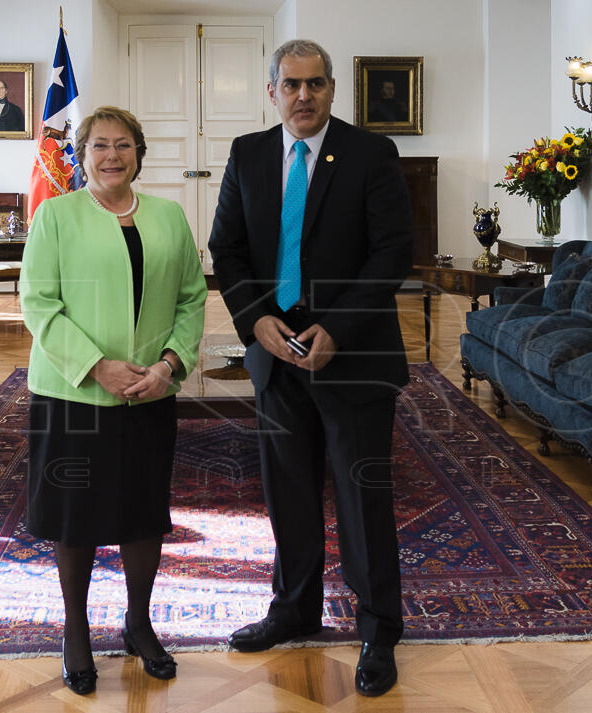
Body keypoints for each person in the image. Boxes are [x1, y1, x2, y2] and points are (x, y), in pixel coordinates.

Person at [208, 39, 413, 698]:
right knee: (287, 491)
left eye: (316, 84)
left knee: (362, 497)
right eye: (291, 84)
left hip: (352, 357)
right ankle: (294, 607)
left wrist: (339, 328)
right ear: (272, 90)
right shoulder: (247, 155)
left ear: (331, 90)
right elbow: (227, 249)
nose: (304, 96)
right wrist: (257, 324)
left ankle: (378, 626)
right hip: (277, 357)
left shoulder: (370, 154)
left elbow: (392, 253)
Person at [20, 106, 206, 695]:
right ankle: (76, 630)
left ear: (138, 154)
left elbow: (192, 298)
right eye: (99, 145)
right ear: (81, 154)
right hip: (74, 392)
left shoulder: (170, 216)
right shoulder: (54, 216)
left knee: (143, 509)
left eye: (123, 145)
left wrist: (170, 365)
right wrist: (96, 366)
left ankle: (138, 622)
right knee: (75, 517)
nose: (112, 156)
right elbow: (38, 303)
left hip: (150, 391)